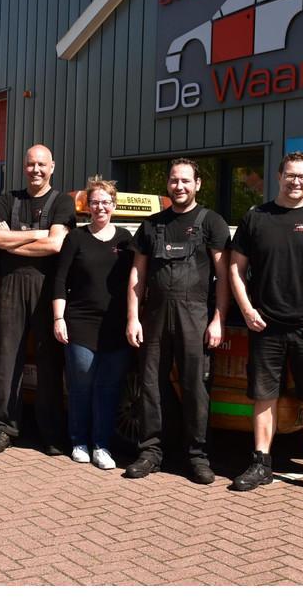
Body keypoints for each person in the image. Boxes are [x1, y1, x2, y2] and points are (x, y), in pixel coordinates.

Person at [228, 152, 303, 496]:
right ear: (279, 176)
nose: (296, 181)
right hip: (265, 326)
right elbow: (236, 268)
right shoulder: (257, 217)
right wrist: (247, 309)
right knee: (263, 397)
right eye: (290, 175)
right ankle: (261, 464)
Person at [125, 158, 230, 485]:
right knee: (150, 385)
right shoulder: (152, 224)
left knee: (195, 387)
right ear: (168, 184)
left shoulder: (211, 222)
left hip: (195, 316)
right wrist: (133, 317)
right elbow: (137, 274)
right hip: (154, 316)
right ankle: (150, 452)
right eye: (174, 180)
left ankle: (197, 456)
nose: (179, 186)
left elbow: (224, 276)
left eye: (185, 181)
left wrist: (218, 319)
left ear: (197, 184)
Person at [0, 144, 76, 455]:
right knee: (7, 359)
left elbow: (55, 245)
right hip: (10, 285)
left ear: (52, 167)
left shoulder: (62, 202)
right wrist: (38, 234)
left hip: (46, 288)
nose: (35, 170)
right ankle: (5, 427)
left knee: (49, 361)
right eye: (31, 164)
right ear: (24, 166)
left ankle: (50, 433)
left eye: (41, 164)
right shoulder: (8, 199)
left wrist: (11, 243)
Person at [52, 177, 135, 470]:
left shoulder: (125, 239)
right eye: (95, 202)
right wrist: (59, 318)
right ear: (88, 206)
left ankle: (102, 446)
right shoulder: (76, 238)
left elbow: (136, 280)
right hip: (80, 323)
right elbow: (59, 280)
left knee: (108, 389)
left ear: (114, 205)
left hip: (115, 326)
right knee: (82, 386)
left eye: (106, 202)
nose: (100, 207)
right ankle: (79, 441)